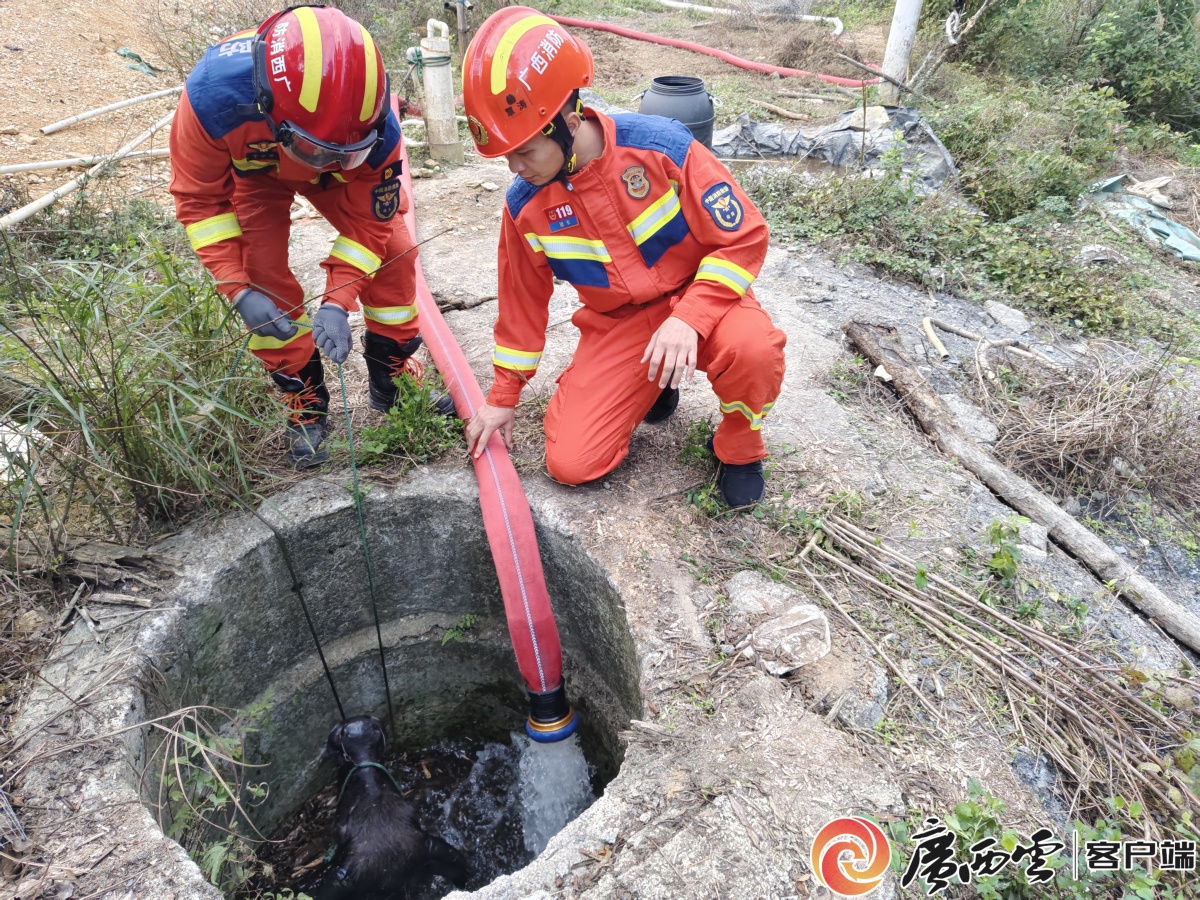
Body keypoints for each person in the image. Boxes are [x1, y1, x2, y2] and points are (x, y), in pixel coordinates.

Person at [461, 7, 786, 507]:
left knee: (754, 350)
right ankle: (656, 381)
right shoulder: (525, 206)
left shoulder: (661, 149)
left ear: (569, 123)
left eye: (524, 151)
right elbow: (521, 305)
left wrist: (690, 318)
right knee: (571, 464)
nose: (515, 167)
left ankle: (739, 446)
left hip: (700, 299)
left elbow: (743, 237)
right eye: (507, 156)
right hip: (620, 325)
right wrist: (503, 396)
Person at [169, 5, 442, 468]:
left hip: (340, 175)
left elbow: (371, 222)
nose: (323, 160)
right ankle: (305, 401)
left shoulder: (377, 123)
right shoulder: (212, 99)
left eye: (344, 150)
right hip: (255, 175)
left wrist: (337, 301)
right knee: (260, 275)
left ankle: (392, 383)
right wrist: (237, 290)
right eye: (315, 148)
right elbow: (200, 204)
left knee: (395, 252)